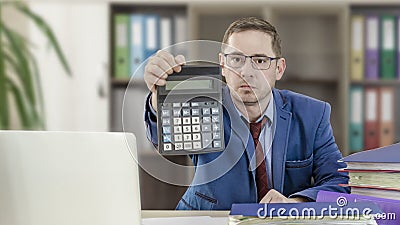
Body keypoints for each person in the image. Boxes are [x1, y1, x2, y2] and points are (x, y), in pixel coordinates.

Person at [143, 17, 349, 210]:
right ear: (223, 65)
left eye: (260, 61)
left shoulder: (312, 114)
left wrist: (294, 202)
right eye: (236, 60)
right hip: (206, 217)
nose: (246, 72)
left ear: (279, 68)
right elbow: (162, 136)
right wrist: (158, 95)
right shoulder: (204, 103)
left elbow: (339, 181)